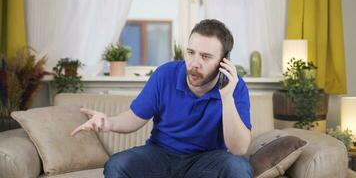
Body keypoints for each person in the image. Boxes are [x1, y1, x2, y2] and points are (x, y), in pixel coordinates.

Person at [71, 19, 253, 178]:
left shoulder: (235, 87)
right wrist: (109, 123)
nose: (194, 63)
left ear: (224, 62)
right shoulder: (166, 75)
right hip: (161, 154)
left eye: (205, 56)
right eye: (190, 53)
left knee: (238, 168)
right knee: (117, 165)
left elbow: (239, 149)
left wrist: (226, 97)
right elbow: (134, 118)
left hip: (207, 160)